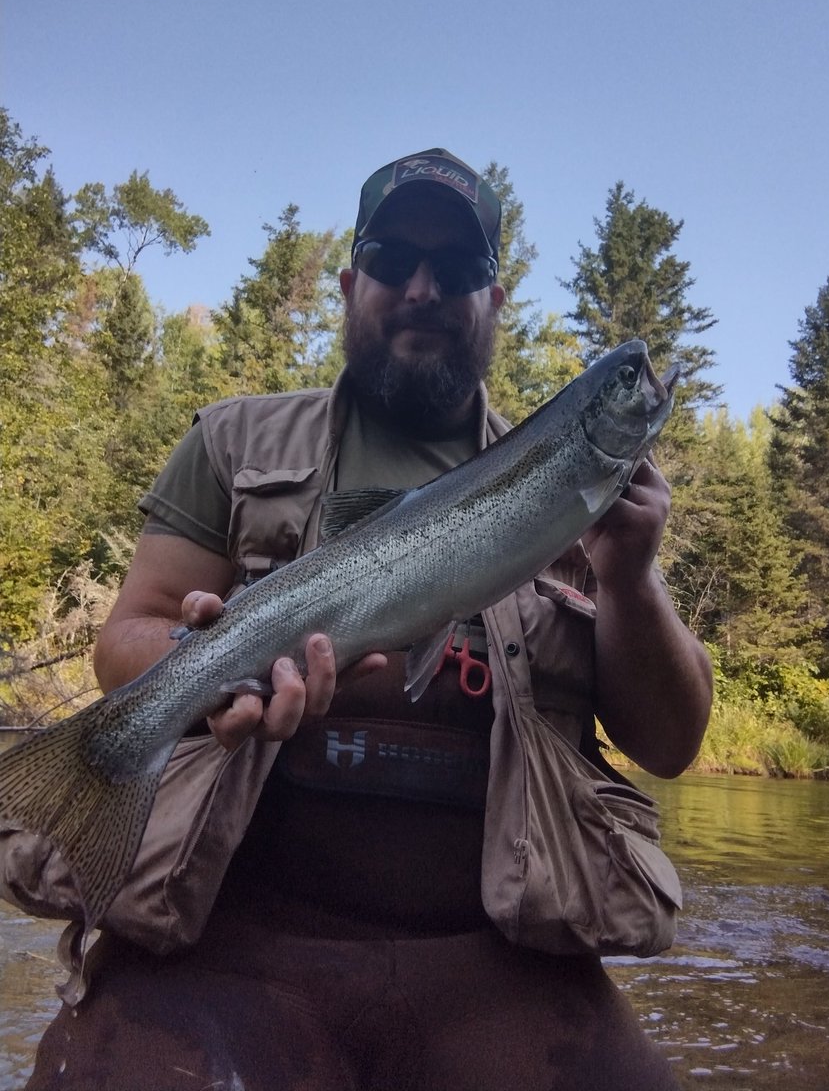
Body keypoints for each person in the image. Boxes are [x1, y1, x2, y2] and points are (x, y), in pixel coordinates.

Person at [22, 148, 712, 1091]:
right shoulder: (234, 440)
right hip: (233, 936)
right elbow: (124, 643)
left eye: (460, 269)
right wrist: (207, 671)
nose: (423, 287)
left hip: (500, 962)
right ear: (351, 283)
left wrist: (630, 577)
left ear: (495, 299)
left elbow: (670, 743)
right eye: (393, 259)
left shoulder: (586, 492)